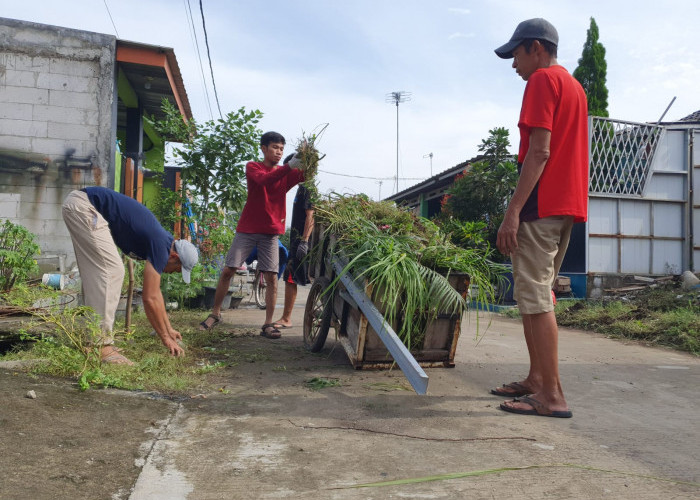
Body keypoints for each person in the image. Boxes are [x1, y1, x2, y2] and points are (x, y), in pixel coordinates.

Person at [491, 18, 588, 418]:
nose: (513, 63)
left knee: (534, 299)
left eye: (515, 53)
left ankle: (551, 395)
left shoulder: (542, 81)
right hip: (565, 206)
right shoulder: (574, 85)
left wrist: (512, 212)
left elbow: (540, 152)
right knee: (537, 296)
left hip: (541, 205)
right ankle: (536, 380)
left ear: (535, 48)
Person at [62, 186, 199, 365]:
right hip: (85, 206)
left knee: (97, 274)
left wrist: (169, 329)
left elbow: (155, 294)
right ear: (175, 257)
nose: (171, 272)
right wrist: (165, 338)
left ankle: (93, 343)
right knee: (112, 271)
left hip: (81, 205)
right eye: (175, 269)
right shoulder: (160, 245)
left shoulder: (161, 243)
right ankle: (102, 347)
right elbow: (149, 298)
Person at [199, 131, 304, 338]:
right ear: (264, 148)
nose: (279, 152)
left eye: (282, 149)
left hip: (271, 233)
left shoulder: (285, 174)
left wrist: (308, 158)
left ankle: (268, 324)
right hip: (247, 230)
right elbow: (266, 181)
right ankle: (216, 313)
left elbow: (304, 175)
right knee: (229, 269)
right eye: (275, 147)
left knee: (272, 277)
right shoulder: (253, 167)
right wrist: (289, 167)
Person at [273, 155, 315, 329]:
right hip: (296, 241)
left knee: (291, 278)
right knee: (291, 278)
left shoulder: (308, 188)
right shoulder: (301, 189)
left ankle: (286, 318)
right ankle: (285, 317)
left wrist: (304, 241)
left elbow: (310, 216)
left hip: (301, 242)